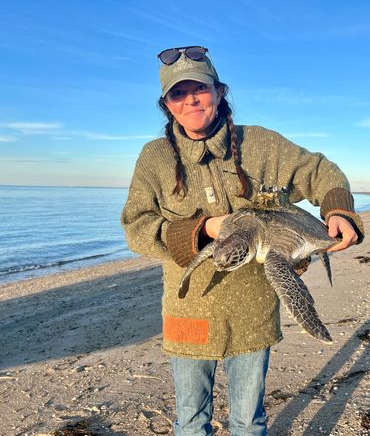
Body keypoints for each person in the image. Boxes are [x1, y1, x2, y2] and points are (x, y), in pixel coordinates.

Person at [121, 46, 364, 435]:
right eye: (177, 94)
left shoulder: (261, 144)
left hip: (253, 313)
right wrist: (204, 230)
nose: (190, 100)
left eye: (199, 88)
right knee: (190, 420)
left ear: (219, 92)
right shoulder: (155, 158)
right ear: (166, 104)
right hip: (189, 312)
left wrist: (337, 210)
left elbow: (321, 171)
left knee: (249, 422)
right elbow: (136, 226)